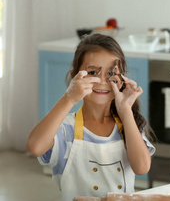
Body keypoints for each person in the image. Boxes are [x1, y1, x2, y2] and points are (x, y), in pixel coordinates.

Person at [27, 33, 155, 201]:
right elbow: (35, 147)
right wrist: (70, 98)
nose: (102, 81)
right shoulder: (65, 130)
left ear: (122, 79)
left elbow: (142, 168)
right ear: (74, 77)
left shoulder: (128, 124)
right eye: (93, 72)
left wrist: (126, 111)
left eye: (111, 74)